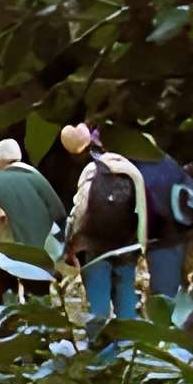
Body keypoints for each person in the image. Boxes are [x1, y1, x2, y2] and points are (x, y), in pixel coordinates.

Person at [66, 128, 151, 330]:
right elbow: (144, 210)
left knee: (98, 301)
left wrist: (72, 241)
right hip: (127, 244)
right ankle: (127, 344)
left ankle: (100, 349)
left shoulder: (91, 170)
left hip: (94, 244)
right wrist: (142, 245)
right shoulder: (134, 171)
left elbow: (81, 209)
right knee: (126, 294)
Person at [0, 138, 62, 301]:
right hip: (37, 253)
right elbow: (58, 212)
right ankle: (38, 321)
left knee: (4, 298)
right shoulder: (38, 179)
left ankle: (8, 321)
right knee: (39, 301)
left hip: (1, 254)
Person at [139, 145, 193, 305]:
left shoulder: (132, 166)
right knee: (168, 295)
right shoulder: (168, 163)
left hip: (158, 240)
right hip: (173, 237)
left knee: (163, 296)